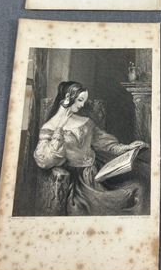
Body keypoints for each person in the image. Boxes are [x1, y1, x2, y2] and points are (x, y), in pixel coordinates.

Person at [33, 81, 149, 215]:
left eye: (84, 101)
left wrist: (127, 147)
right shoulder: (49, 128)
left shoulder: (86, 122)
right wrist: (59, 128)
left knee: (138, 187)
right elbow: (45, 161)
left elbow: (106, 144)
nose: (82, 105)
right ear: (67, 98)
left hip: (98, 173)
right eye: (80, 100)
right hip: (79, 182)